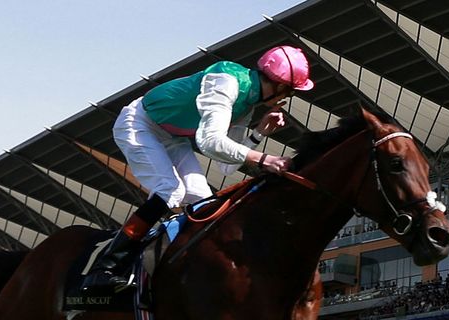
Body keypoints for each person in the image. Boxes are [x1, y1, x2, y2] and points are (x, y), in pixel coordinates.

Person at [82, 45, 315, 291]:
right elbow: (209, 141)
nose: (286, 98)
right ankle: (104, 268)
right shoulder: (226, 81)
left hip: (173, 136)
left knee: (203, 201)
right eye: (290, 91)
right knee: (170, 189)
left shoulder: (247, 106)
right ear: (280, 86)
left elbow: (226, 166)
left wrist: (260, 132)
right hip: (140, 123)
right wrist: (264, 159)